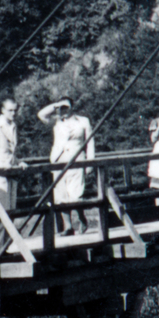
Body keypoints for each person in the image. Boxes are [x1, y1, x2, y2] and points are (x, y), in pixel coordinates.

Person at [39, 98, 95, 235]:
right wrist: (55, 106)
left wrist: (90, 162)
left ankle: (81, 219)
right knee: (61, 195)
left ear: (72, 107)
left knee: (76, 195)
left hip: (77, 160)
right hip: (59, 161)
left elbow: (90, 142)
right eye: (61, 107)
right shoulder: (56, 121)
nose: (64, 110)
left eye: (66, 107)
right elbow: (41, 115)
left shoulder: (83, 121)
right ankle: (68, 227)